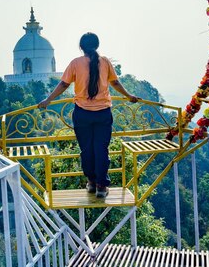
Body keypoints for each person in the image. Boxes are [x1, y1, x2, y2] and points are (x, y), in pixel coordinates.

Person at [38, 32, 140, 198]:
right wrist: (129, 96)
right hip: (103, 114)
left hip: (82, 114)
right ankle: (101, 185)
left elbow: (64, 84)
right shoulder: (105, 62)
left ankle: (91, 182)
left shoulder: (75, 63)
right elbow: (115, 82)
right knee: (101, 149)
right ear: (97, 45)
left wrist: (48, 100)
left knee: (86, 149)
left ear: (81, 47)